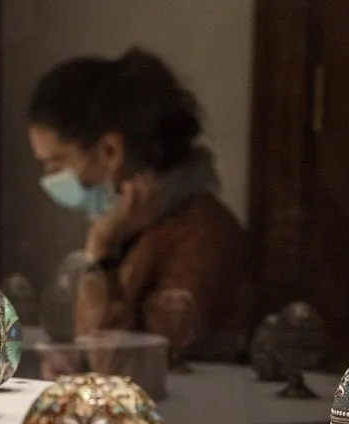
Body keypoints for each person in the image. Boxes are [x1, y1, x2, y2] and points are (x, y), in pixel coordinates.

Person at [28, 46, 252, 379]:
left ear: (111, 151)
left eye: (56, 164)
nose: (49, 180)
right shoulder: (134, 224)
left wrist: (100, 247)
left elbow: (125, 370)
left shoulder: (202, 235)